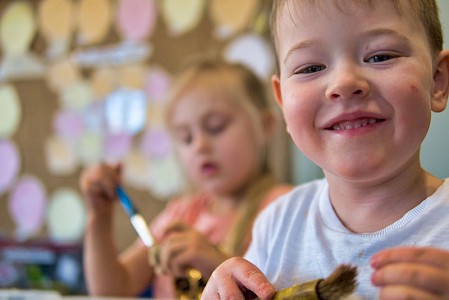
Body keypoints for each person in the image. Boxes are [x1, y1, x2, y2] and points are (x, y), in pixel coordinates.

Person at [201, 0, 449, 299]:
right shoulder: (277, 225)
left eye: (380, 56)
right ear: (282, 102)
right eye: (312, 67)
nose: (344, 83)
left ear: (438, 81)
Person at [79, 60, 292, 298]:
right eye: (186, 138)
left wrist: (216, 263)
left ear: (265, 125)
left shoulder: (286, 208)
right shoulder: (180, 215)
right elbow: (113, 289)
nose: (200, 146)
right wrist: (100, 217)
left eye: (215, 127)